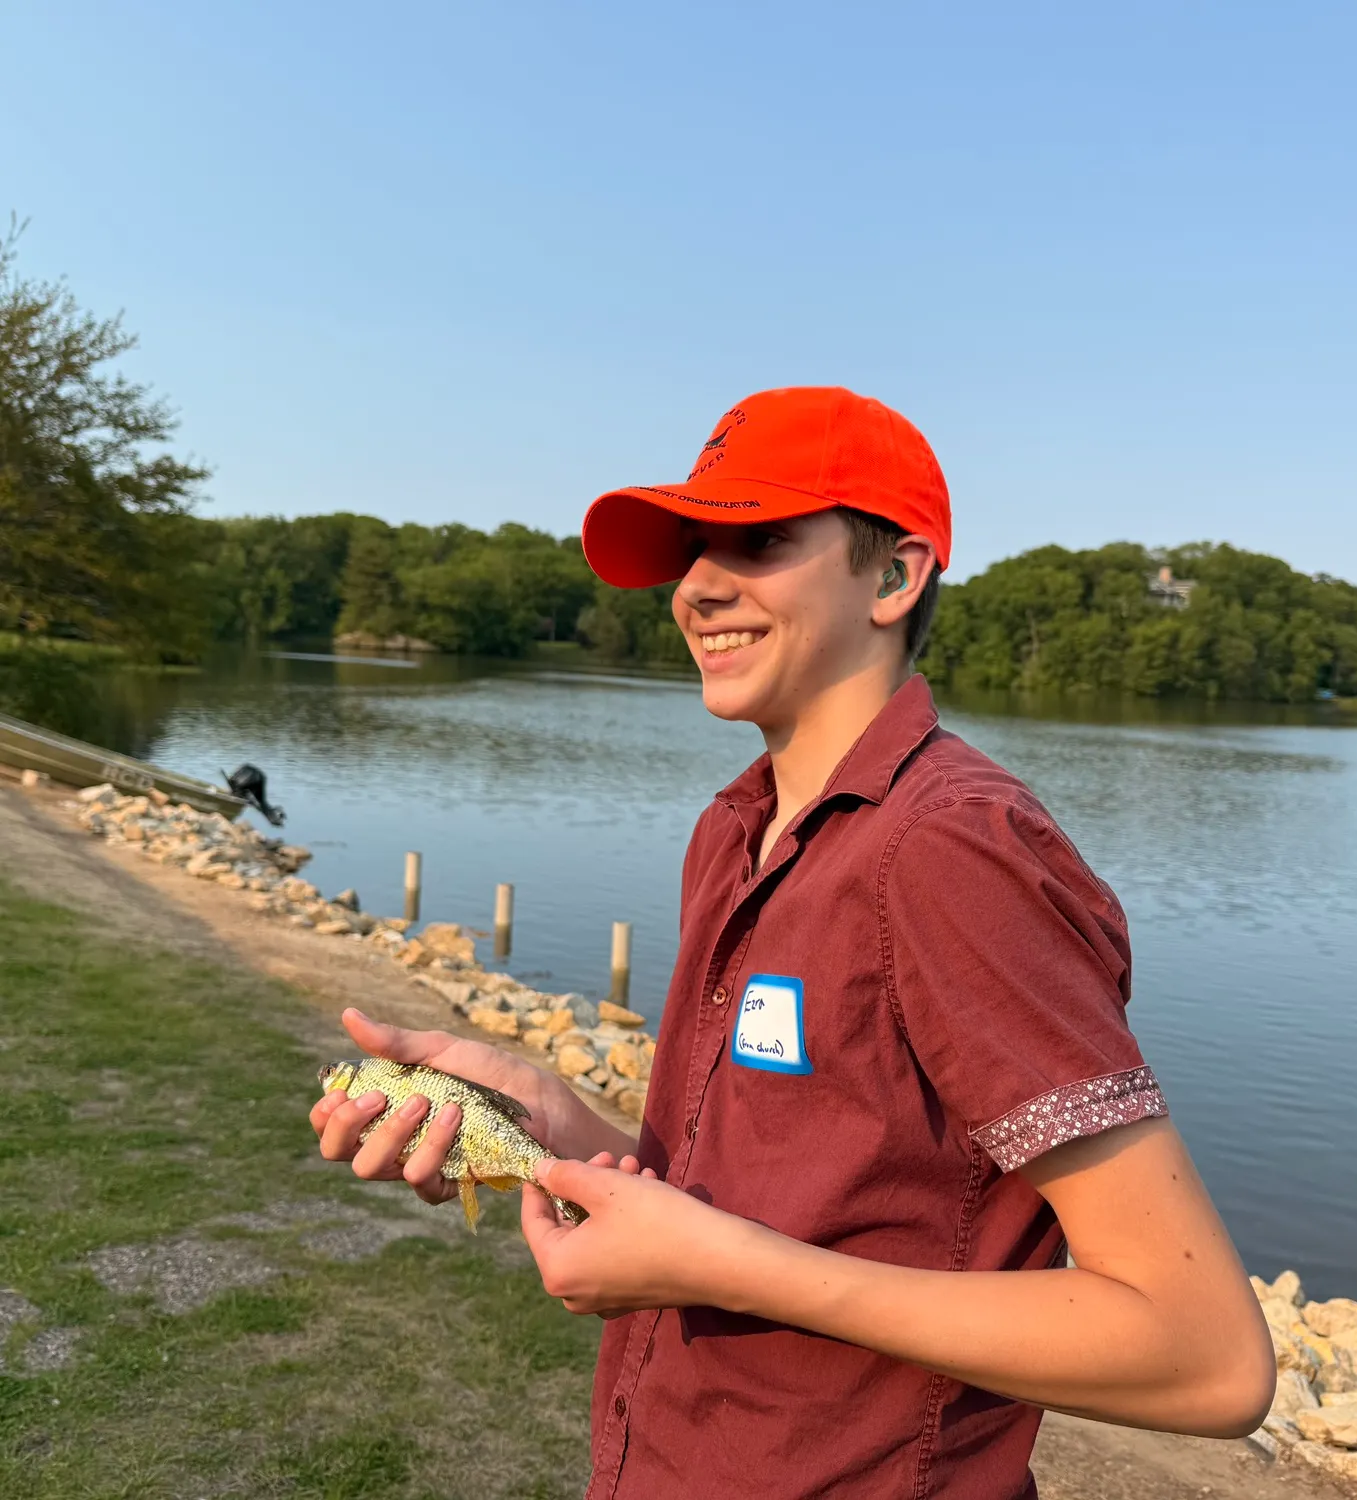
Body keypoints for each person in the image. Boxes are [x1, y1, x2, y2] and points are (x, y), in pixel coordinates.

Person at [311, 386, 1275, 1499]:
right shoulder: (737, 829)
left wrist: (721, 1265)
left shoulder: (952, 849)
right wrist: (549, 1122)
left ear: (896, 576)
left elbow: (1204, 1355)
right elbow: (782, 1193)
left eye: (760, 540)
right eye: (689, 548)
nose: (699, 586)